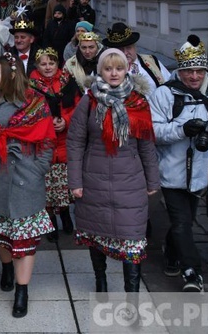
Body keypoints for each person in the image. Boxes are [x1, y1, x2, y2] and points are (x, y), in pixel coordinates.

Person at [0, 54, 56, 318]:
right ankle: (7, 268)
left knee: (25, 238)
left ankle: (22, 290)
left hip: (27, 182)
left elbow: (48, 139)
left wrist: (39, 168)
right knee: (3, 235)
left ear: (11, 74)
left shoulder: (35, 103)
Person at [66, 48, 159, 294]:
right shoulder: (89, 101)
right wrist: (74, 181)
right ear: (100, 71)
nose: (114, 73)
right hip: (94, 181)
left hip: (130, 184)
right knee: (96, 236)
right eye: (108, 68)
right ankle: (101, 281)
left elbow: (147, 143)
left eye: (119, 68)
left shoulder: (138, 101)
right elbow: (75, 142)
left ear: (127, 69)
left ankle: (133, 300)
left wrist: (153, 181)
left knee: (133, 243)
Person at [149, 35, 208, 292]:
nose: (194, 76)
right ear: (180, 70)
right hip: (171, 172)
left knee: (186, 221)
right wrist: (182, 130)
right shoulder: (165, 94)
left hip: (202, 173)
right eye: (188, 71)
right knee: (181, 221)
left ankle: (171, 253)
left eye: (199, 71)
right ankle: (193, 273)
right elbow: (153, 132)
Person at [29, 48, 74, 241]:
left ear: (57, 64)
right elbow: (30, 113)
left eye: (51, 63)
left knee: (63, 185)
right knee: (47, 186)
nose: (48, 67)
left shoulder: (67, 81)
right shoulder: (31, 86)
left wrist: (65, 120)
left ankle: (64, 213)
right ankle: (51, 220)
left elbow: (77, 108)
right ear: (37, 66)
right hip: (44, 142)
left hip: (64, 142)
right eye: (43, 64)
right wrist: (48, 124)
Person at [102, 22, 169, 98]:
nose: (125, 53)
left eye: (128, 47)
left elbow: (169, 85)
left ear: (134, 47)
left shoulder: (152, 61)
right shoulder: (104, 68)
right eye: (120, 49)